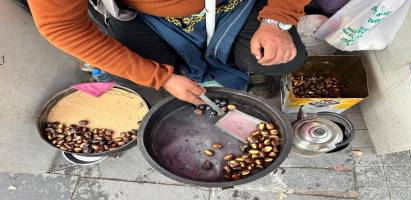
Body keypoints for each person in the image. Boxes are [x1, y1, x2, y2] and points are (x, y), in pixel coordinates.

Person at [28, 0, 310, 105]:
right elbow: (62, 25)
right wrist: (160, 78)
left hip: (237, 5)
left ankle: (250, 70)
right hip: (146, 15)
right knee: (142, 70)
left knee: (279, 59)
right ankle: (177, 78)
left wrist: (278, 18)